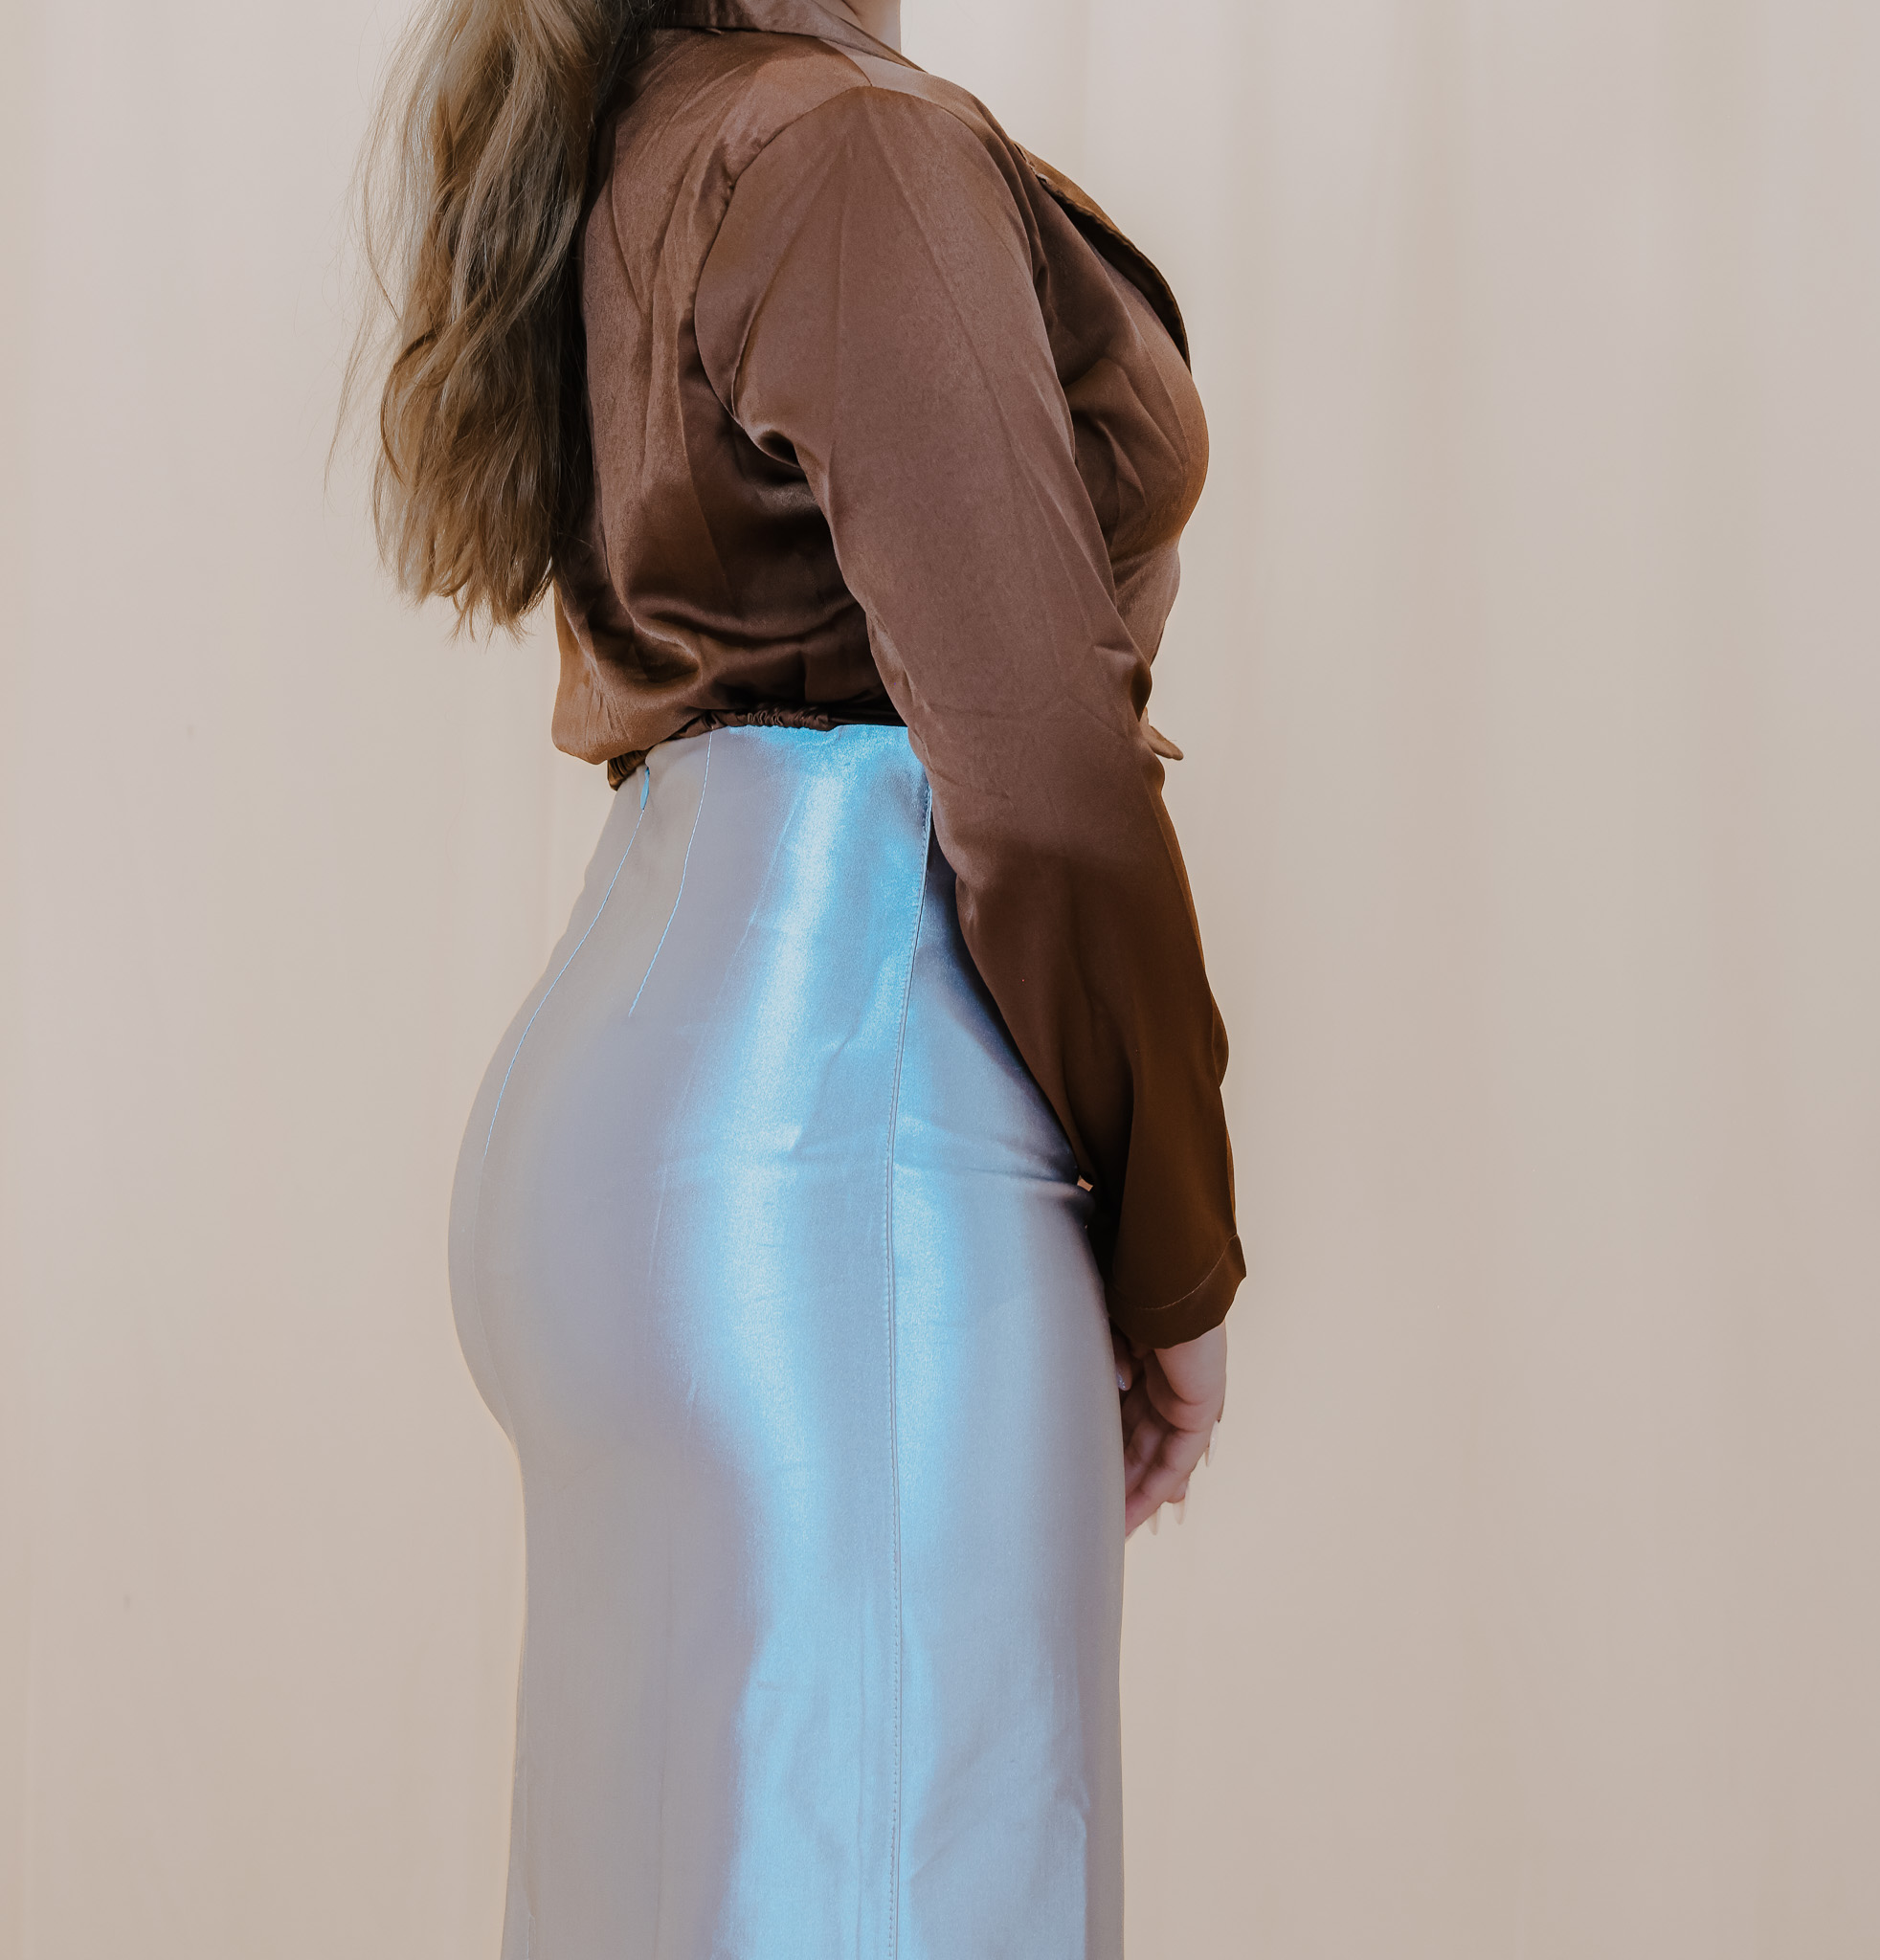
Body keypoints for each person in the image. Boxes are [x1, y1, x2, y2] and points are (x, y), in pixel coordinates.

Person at [354, 0, 1242, 1951]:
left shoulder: (656, 116)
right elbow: (1048, 781)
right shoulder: (843, 146)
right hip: (841, 1146)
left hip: (675, 1117)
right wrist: (1176, 1253)